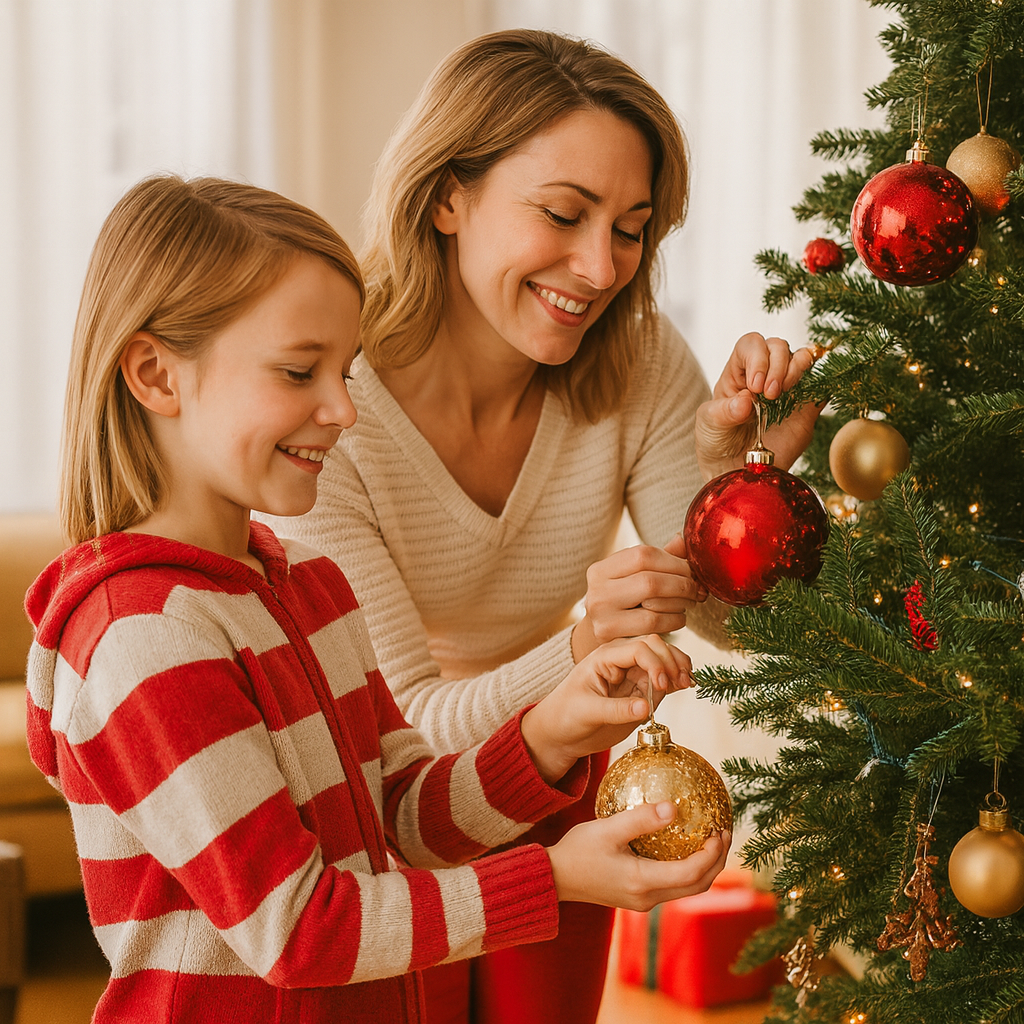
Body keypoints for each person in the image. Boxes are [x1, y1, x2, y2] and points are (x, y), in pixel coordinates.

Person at [24, 174, 729, 1024]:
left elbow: (406, 819)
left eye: (345, 372)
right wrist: (555, 877)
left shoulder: (311, 587)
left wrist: (553, 732)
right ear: (156, 375)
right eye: (299, 371)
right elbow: (300, 930)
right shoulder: (142, 638)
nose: (343, 410)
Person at [268, 28, 819, 1024]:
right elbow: (406, 736)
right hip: (378, 797)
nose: (601, 267)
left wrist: (737, 484)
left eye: (631, 228)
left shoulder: (637, 357)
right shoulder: (328, 403)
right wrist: (578, 648)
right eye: (564, 214)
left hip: (555, 765)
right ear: (447, 196)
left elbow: (736, 627)